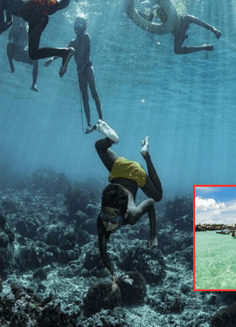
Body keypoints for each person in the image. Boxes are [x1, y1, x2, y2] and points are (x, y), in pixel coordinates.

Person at [94, 120, 163, 284]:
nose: (109, 225)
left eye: (115, 220)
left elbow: (152, 202)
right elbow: (103, 251)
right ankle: (113, 141)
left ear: (124, 215)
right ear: (102, 211)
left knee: (159, 195)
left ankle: (146, 156)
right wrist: (114, 273)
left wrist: (153, 236)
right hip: (118, 168)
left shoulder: (131, 216)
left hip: (134, 173)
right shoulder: (102, 220)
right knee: (99, 147)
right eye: (107, 218)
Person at [45, 17, 103, 133]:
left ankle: (101, 119)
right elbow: (65, 52)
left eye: (80, 24)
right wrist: (52, 58)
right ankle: (89, 124)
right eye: (77, 24)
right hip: (80, 71)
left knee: (93, 92)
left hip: (86, 67)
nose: (77, 26)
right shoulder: (73, 42)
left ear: (84, 26)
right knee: (85, 97)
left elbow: (70, 52)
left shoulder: (86, 37)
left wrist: (56, 59)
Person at [143, 0, 221, 55]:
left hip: (181, 22)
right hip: (176, 32)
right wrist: (153, 39)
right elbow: (149, 25)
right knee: (177, 50)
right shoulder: (156, 10)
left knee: (187, 18)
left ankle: (214, 30)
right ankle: (203, 48)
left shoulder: (168, 3)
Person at [6, 16, 39, 92]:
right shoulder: (15, 26)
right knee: (9, 45)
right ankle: (11, 63)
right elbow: (9, 37)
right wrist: (14, 30)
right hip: (16, 53)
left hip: (24, 52)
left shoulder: (27, 26)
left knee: (36, 59)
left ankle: (34, 84)